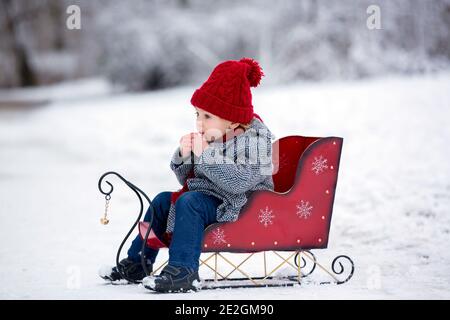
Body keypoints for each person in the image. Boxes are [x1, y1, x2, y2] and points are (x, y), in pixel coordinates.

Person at [100, 57, 275, 293]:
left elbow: (239, 182)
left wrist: (204, 154)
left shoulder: (254, 142)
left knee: (190, 202)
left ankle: (183, 272)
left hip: (241, 203)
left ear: (234, 120)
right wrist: (185, 155)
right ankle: (138, 263)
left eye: (207, 117)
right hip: (214, 199)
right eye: (197, 115)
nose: (199, 123)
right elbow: (188, 179)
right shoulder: (215, 136)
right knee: (163, 201)